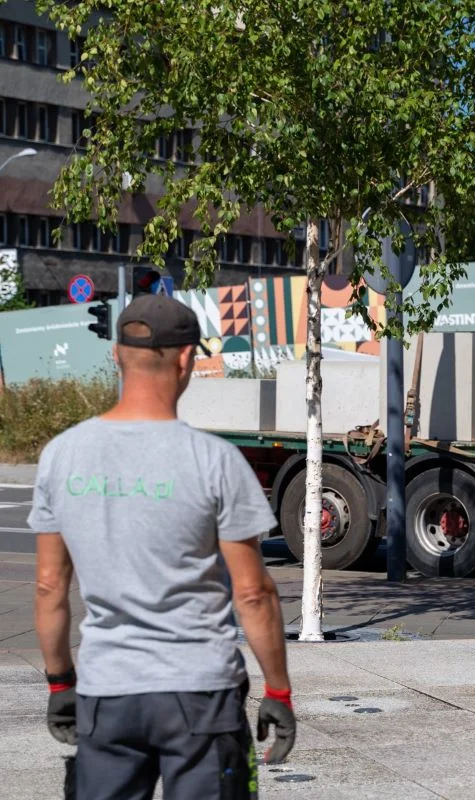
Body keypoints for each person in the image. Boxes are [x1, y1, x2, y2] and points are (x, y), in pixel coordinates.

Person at [29, 294, 296, 799]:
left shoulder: (61, 455)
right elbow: (253, 593)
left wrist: (61, 683)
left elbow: (48, 587)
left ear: (116, 355)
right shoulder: (215, 460)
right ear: (187, 358)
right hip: (200, 692)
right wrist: (278, 690)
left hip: (107, 692)